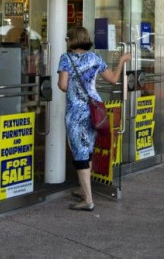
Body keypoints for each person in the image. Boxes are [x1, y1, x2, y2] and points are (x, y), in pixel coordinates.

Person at [57, 26, 131, 211]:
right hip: (94, 111)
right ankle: (84, 190)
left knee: (79, 154)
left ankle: (88, 200)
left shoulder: (66, 59)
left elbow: (63, 85)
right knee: (87, 149)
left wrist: (71, 84)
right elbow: (114, 79)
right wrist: (121, 61)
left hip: (76, 112)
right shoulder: (95, 58)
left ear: (72, 40)